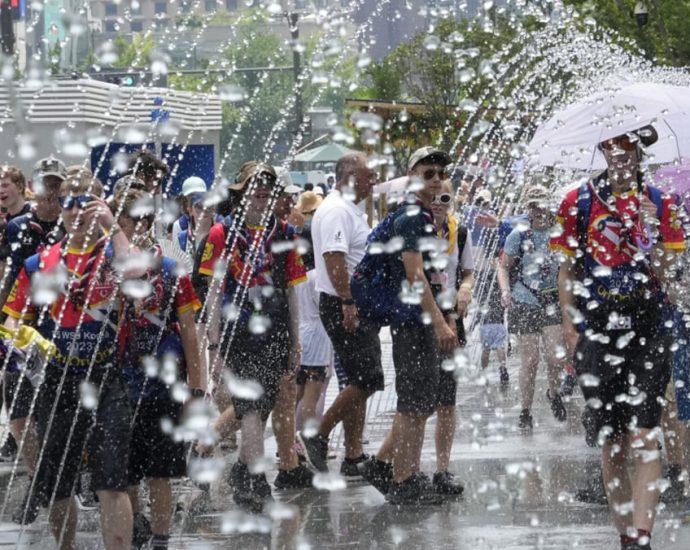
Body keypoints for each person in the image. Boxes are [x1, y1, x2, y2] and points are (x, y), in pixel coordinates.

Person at [550, 126, 685, 550]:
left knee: (645, 434)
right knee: (613, 443)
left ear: (641, 150)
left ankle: (642, 534)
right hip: (598, 330)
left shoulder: (664, 203)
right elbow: (567, 270)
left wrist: (653, 235)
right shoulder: (577, 202)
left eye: (627, 145)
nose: (618, 153)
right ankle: (625, 534)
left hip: (648, 329)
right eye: (610, 145)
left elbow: (673, 280)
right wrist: (571, 327)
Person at [3, 173, 145, 549]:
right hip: (57, 379)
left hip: (106, 377)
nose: (77, 212)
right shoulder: (40, 262)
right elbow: (12, 316)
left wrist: (112, 225)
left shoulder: (114, 253)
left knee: (111, 478)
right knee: (58, 481)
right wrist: (22, 336)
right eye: (68, 203)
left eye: (86, 204)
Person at [198, 161, 307, 512]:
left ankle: (244, 473)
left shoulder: (286, 233)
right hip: (237, 332)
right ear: (241, 192)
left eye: (267, 188)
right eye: (253, 188)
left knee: (259, 409)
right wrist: (213, 346)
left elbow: (292, 292)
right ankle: (256, 480)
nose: (260, 193)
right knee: (248, 408)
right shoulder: (222, 233)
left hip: (274, 331)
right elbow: (214, 294)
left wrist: (295, 339)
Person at [363, 147, 459, 505]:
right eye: (428, 172)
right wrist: (438, 324)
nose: (435, 178)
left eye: (440, 173)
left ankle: (406, 474)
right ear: (412, 174)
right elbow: (415, 275)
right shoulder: (411, 218)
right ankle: (404, 481)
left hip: (417, 322)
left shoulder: (423, 217)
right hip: (413, 322)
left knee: (419, 404)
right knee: (413, 407)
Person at [110, 188, 203, 549]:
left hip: (163, 384)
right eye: (127, 219)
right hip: (120, 384)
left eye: (141, 219)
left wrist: (196, 387)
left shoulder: (169, 270)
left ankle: (162, 539)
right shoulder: (106, 269)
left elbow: (190, 329)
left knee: (162, 470)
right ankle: (137, 526)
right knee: (126, 471)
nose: (135, 226)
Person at [298, 153, 383, 478]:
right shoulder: (335, 210)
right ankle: (317, 434)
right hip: (344, 305)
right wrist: (348, 301)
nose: (372, 181)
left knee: (356, 379)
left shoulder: (346, 209)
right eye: (368, 175)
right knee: (369, 378)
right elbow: (334, 258)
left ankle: (353, 455)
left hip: (352, 304)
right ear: (349, 177)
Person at [2, 157, 67, 524]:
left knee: (55, 413)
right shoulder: (16, 227)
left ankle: (52, 482)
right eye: (46, 185)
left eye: (57, 185)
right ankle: (36, 476)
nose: (51, 193)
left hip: (60, 328)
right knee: (19, 415)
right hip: (22, 325)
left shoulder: (71, 226)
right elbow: (7, 275)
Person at [497, 184, 567, 431]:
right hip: (525, 299)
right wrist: (505, 291)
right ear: (527, 208)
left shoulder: (559, 232)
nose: (537, 210)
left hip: (552, 299)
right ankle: (525, 410)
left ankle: (553, 392)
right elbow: (503, 266)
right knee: (530, 360)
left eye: (541, 204)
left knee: (555, 356)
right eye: (532, 205)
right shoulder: (519, 235)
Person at [292, 192, 334, 467]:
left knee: (297, 393)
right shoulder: (319, 276)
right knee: (312, 393)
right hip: (318, 339)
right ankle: (308, 441)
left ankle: (291, 443)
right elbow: (326, 309)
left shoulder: (297, 275)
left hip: (301, 334)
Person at [478, 264, 509, 390]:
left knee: (486, 349)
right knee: (499, 346)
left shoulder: (482, 278)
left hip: (485, 322)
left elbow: (477, 297)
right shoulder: (499, 278)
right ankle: (503, 368)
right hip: (498, 320)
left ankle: (484, 372)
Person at [171, 175, 208, 244]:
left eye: (198, 196)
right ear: (185, 200)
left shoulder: (212, 219)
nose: (195, 200)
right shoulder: (179, 224)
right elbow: (177, 253)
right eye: (191, 197)